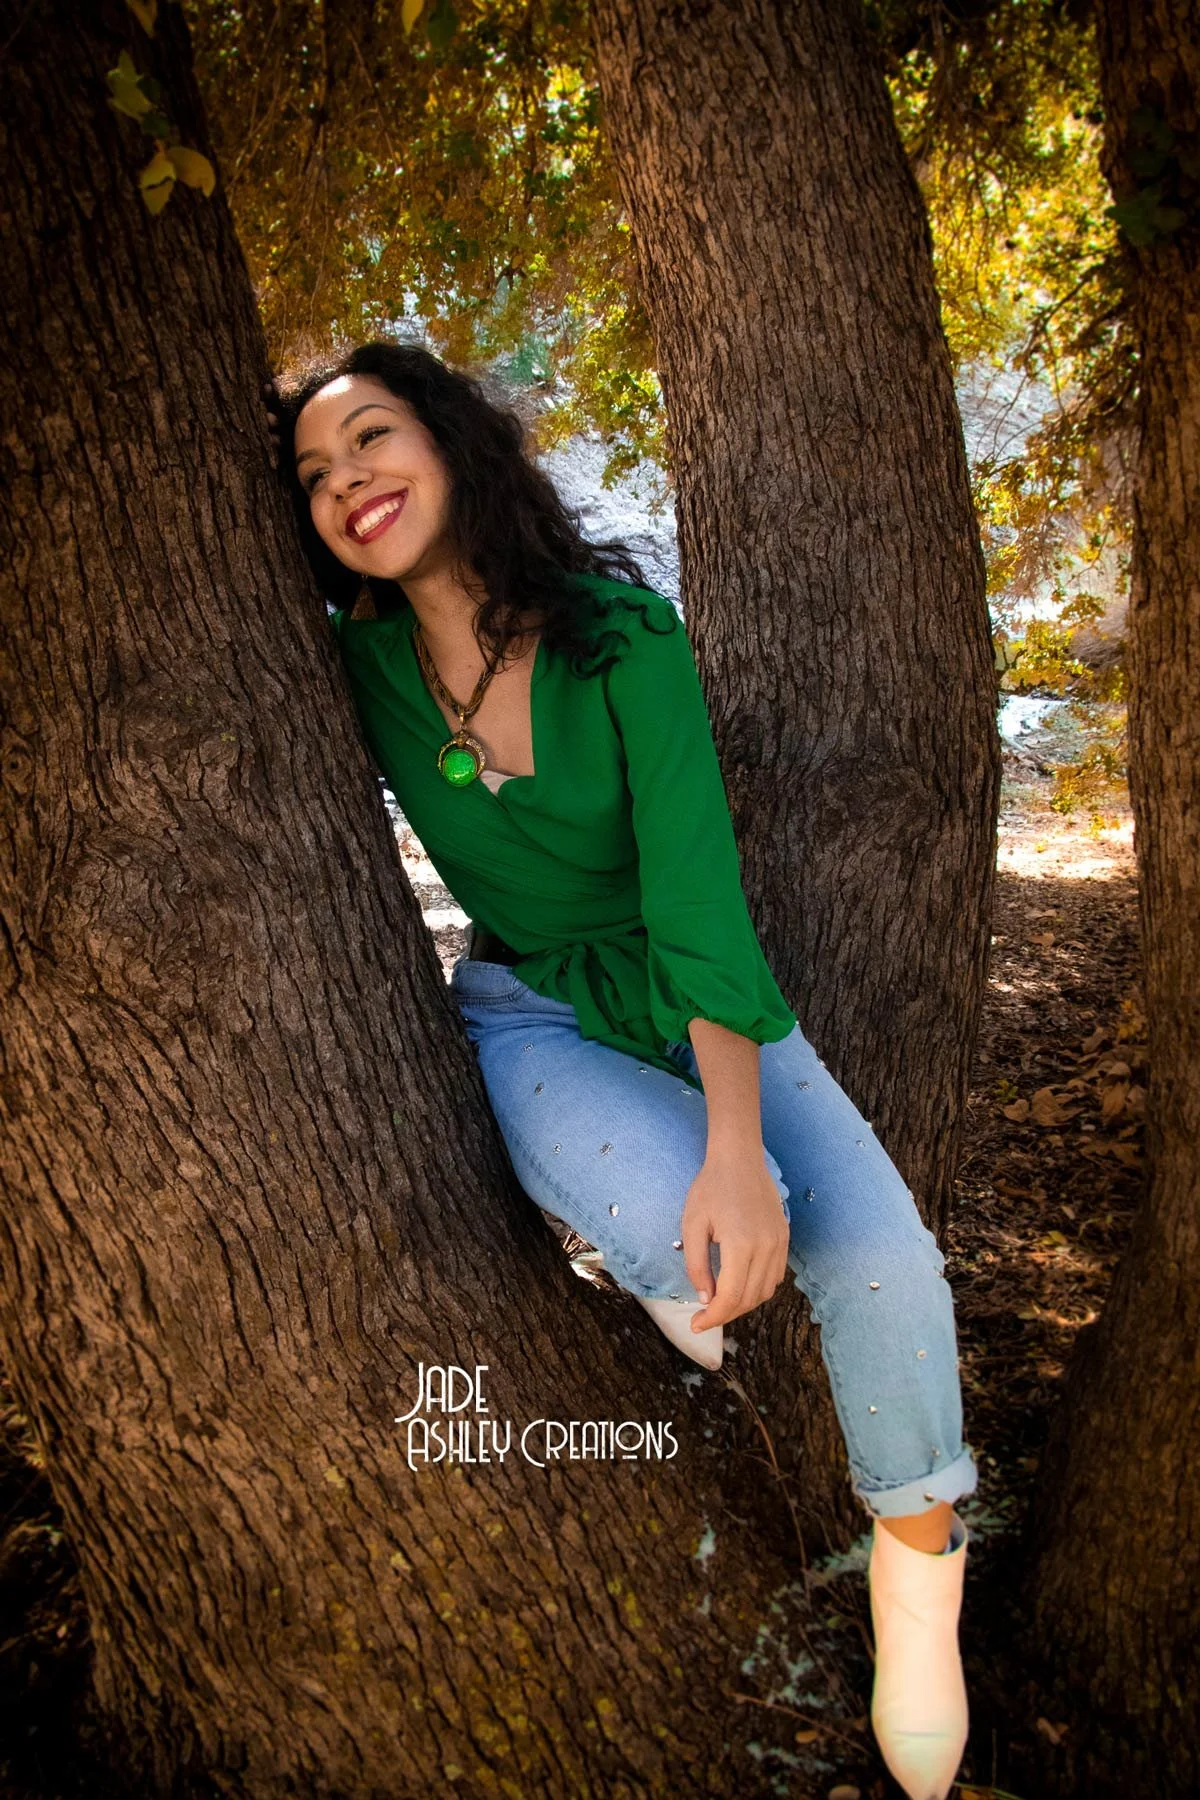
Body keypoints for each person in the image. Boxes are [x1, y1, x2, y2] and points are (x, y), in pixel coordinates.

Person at [268, 342, 978, 1800]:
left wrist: (736, 1144)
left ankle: (919, 1600)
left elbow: (701, 910)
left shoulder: (619, 638)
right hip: (530, 1010)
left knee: (883, 1261)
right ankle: (670, 1261)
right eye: (318, 475)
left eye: (375, 439)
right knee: (684, 1235)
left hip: (699, 997)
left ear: (457, 445)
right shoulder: (352, 662)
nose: (349, 483)